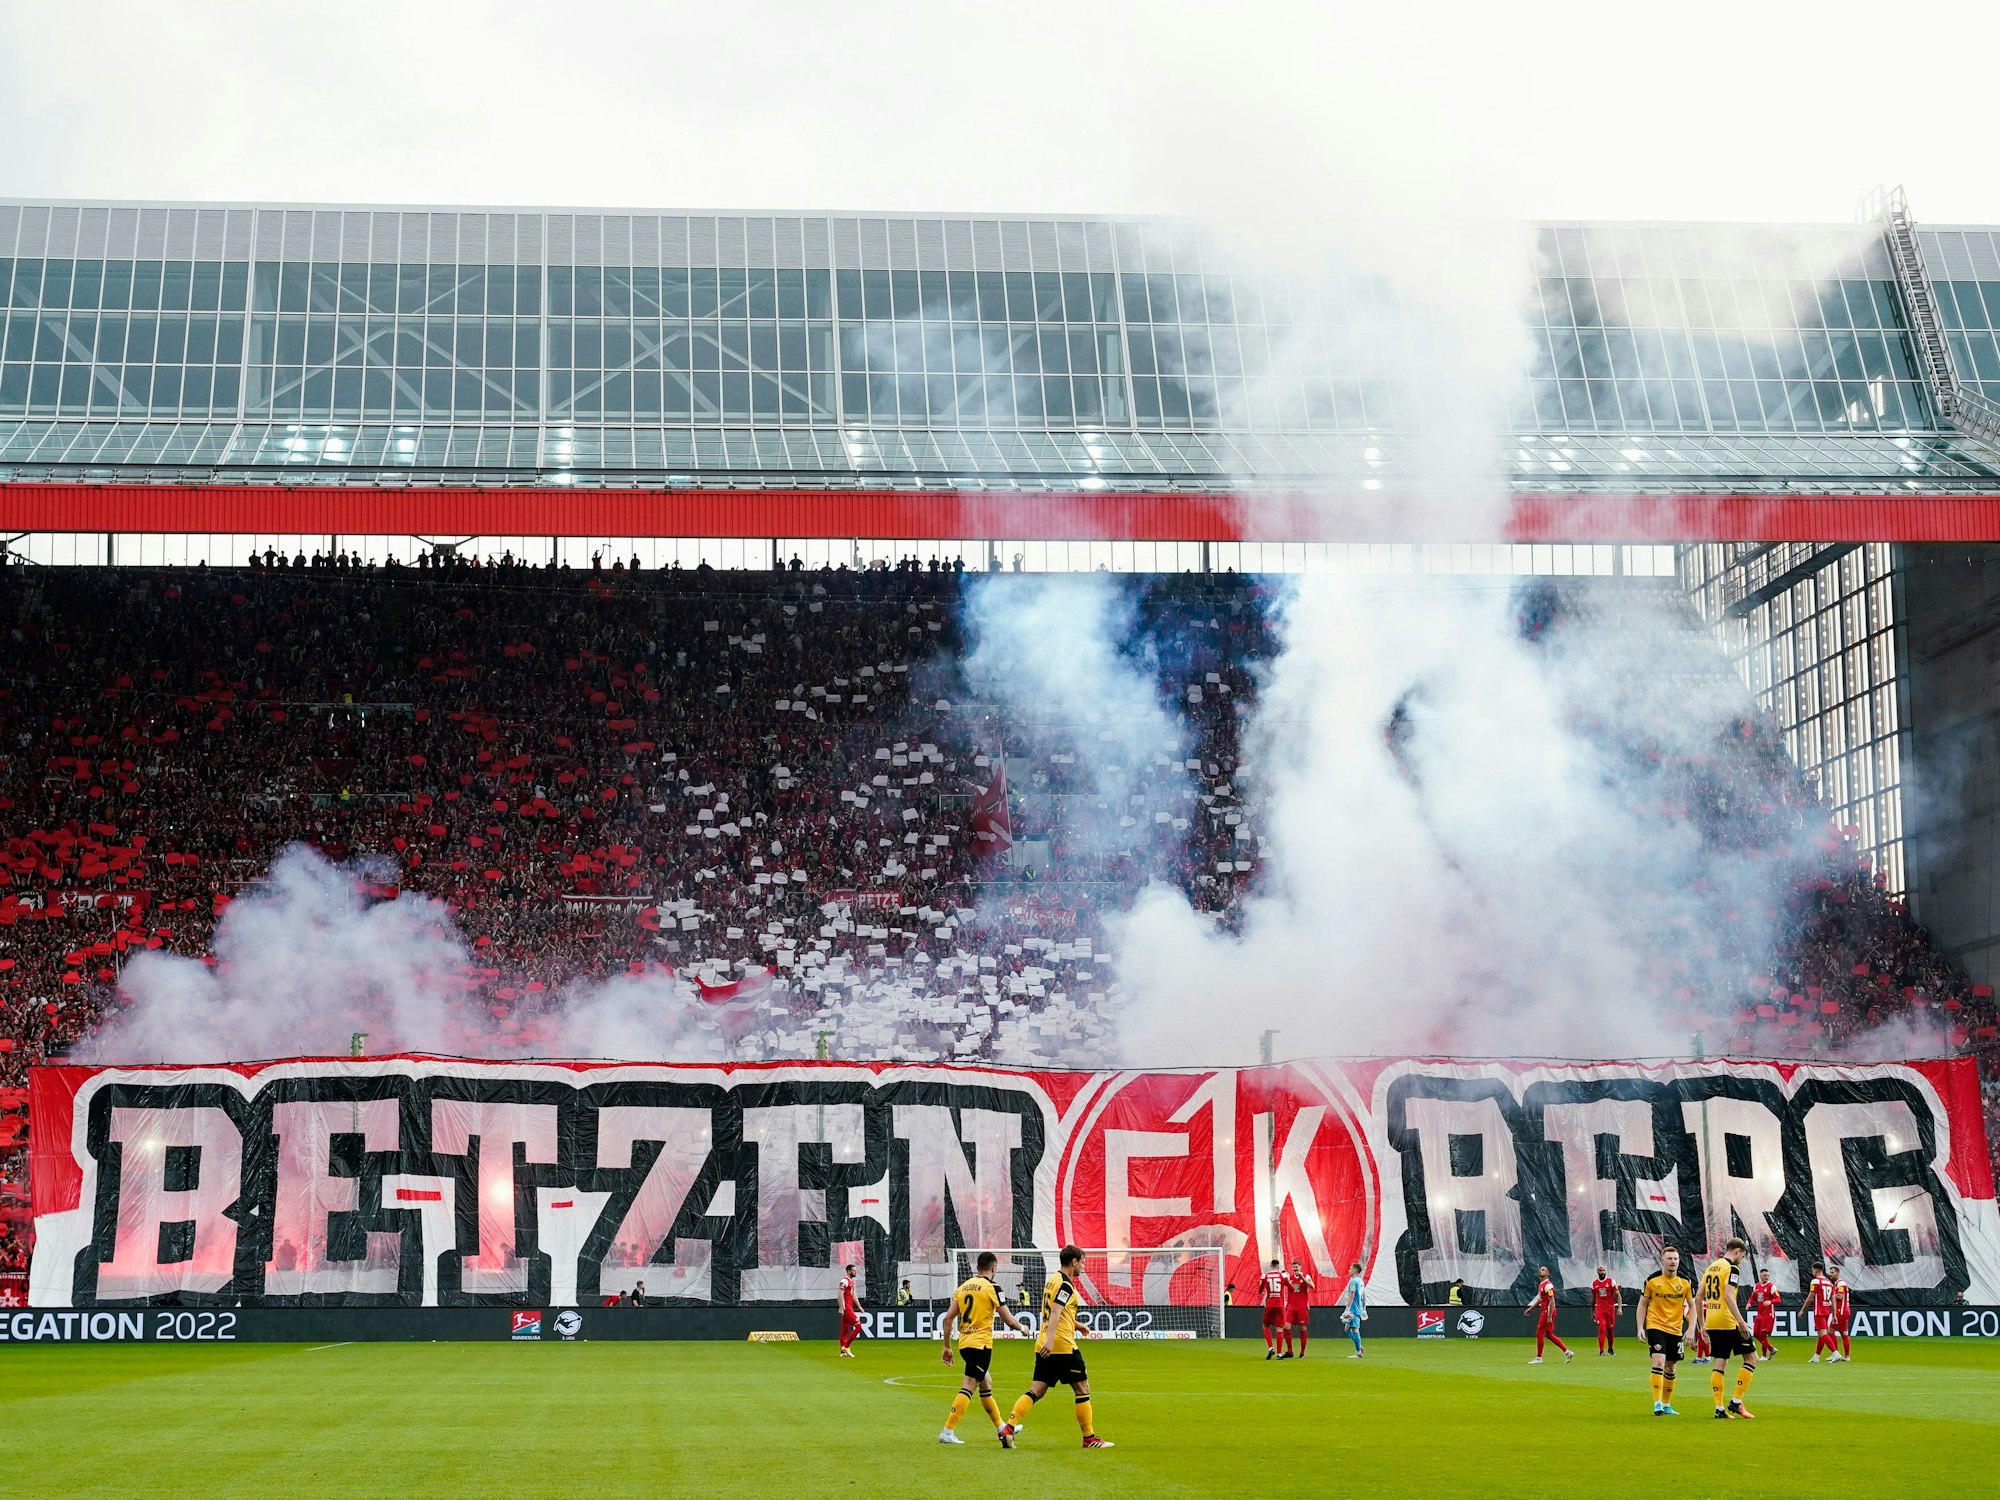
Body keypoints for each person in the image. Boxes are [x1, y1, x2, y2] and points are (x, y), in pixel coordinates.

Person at [999, 1245, 1113, 1450]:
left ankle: (1008, 1428)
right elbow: (1055, 1312)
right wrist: (1052, 1341)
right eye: (1083, 1262)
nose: (1083, 1267)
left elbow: (1057, 1311)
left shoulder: (1052, 1280)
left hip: (1044, 1343)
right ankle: (1089, 1438)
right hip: (1061, 1346)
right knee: (1082, 1388)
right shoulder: (1066, 1285)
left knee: (1037, 1390)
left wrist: (1077, 1325)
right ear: (1074, 1262)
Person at [936, 1250, 1030, 1446]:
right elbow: (1008, 1318)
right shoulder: (992, 1287)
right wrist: (1022, 1328)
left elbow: (947, 1319)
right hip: (981, 1345)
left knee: (986, 1382)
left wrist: (947, 1347)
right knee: (969, 1385)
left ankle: (1002, 1427)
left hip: (965, 1344)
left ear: (977, 1268)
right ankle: (947, 1431)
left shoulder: (963, 1287)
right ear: (994, 1267)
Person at [1700, 1237, 1759, 1419]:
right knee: (1752, 1358)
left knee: (1720, 1362)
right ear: (1737, 1251)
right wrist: (1741, 1322)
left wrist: (1702, 1325)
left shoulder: (1711, 1268)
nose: (1741, 1260)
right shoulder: (1732, 1268)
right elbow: (1727, 1295)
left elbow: (1697, 1297)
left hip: (1712, 1320)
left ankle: (1719, 1408)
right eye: (1742, 1256)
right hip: (1728, 1320)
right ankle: (1736, 1401)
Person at [1638, 1246, 1694, 1415]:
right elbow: (1642, 1304)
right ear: (1662, 1260)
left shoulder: (1685, 1282)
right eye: (1669, 1258)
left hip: (1675, 1329)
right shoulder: (1652, 1280)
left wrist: (1691, 1329)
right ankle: (1657, 1403)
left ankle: (1667, 1404)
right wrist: (1640, 1326)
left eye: (1675, 1259)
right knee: (1659, 1362)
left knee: (1671, 1367)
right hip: (1655, 1326)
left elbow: (1693, 1306)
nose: (1673, 1262)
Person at [1525, 1265, 1572, 1364]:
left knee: (1539, 1332)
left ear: (1547, 1274)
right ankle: (1567, 1352)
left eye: (1543, 1270)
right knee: (1549, 1335)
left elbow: (1552, 1301)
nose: (1540, 1271)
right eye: (1540, 1269)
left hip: (1547, 1311)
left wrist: (1549, 1316)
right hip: (1545, 1310)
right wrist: (1531, 1308)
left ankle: (1539, 1358)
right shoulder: (1541, 1284)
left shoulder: (1548, 1285)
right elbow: (1540, 1299)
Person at [1283, 1258, 1315, 1358]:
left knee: (1302, 1328)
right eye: (1293, 1267)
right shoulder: (1290, 1277)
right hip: (1291, 1306)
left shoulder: (1306, 1276)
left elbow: (1312, 1286)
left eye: (1296, 1267)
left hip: (1302, 1306)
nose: (1295, 1269)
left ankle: (1302, 1353)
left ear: (1300, 1267)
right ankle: (1290, 1351)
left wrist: (1303, 1278)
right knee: (1286, 1327)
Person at [1258, 1257, 1289, 1359]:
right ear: (1278, 1266)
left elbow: (1260, 1290)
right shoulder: (1282, 1276)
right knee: (1279, 1328)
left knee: (1265, 1325)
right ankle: (1279, 1354)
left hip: (1270, 1304)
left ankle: (1271, 1347)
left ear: (1271, 1266)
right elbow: (1291, 1288)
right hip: (1280, 1304)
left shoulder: (1265, 1276)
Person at [1807, 1261, 1837, 1361]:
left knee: (1823, 1333)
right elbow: (1833, 1299)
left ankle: (1835, 1353)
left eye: (1812, 1270)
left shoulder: (1815, 1281)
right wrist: (1834, 1314)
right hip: (1826, 1310)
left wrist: (1802, 1309)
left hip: (1819, 1310)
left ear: (1815, 1270)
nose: (1812, 1272)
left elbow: (1810, 1298)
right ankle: (1816, 1356)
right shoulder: (1829, 1282)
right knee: (1821, 1334)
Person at [1749, 1269, 1781, 1360]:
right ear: (1760, 1276)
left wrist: (1770, 1302)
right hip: (1760, 1314)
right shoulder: (1757, 1286)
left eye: (1768, 1276)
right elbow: (1752, 1297)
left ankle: (1764, 1355)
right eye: (1765, 1275)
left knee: (1763, 1335)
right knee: (1755, 1333)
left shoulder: (1771, 1287)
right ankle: (1771, 1349)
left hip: (1769, 1314)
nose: (1766, 1277)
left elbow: (1778, 1300)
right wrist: (1749, 1303)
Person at [1590, 1263, 1621, 1355]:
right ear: (1597, 1272)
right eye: (1600, 1270)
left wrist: (1619, 1308)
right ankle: (1601, 1350)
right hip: (1600, 1309)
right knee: (1601, 1328)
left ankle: (1610, 1348)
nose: (1602, 1272)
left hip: (1610, 1309)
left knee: (1610, 1329)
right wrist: (1592, 1312)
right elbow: (1593, 1298)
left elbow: (1618, 1295)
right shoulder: (1594, 1284)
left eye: (1603, 1270)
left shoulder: (1611, 1282)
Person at [1339, 1261, 1367, 1359]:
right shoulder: (1361, 1281)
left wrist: (1347, 1309)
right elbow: (1363, 1295)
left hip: (1353, 1309)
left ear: (1355, 1270)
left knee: (1355, 1329)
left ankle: (1358, 1352)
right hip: (1358, 1307)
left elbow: (1352, 1295)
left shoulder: (1353, 1281)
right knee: (1347, 1329)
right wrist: (1364, 1308)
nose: (1349, 1270)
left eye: (1351, 1268)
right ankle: (1359, 1346)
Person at [837, 1262, 862, 1358]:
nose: (855, 1272)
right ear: (848, 1271)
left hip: (849, 1307)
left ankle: (842, 1352)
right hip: (846, 1308)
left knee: (844, 1330)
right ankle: (846, 1347)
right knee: (859, 1327)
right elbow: (840, 1294)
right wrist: (840, 1307)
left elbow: (853, 1295)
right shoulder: (844, 1281)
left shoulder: (851, 1282)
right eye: (854, 1270)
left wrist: (859, 1306)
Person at [1832, 1270, 1853, 1362]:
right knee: (1844, 1333)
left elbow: (1840, 1296)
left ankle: (1835, 1353)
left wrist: (1830, 1295)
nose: (1831, 1274)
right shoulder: (1837, 1283)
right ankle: (1847, 1356)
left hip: (1841, 1311)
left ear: (1837, 1273)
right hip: (1843, 1311)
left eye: (1832, 1272)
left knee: (1829, 1331)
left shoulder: (1841, 1284)